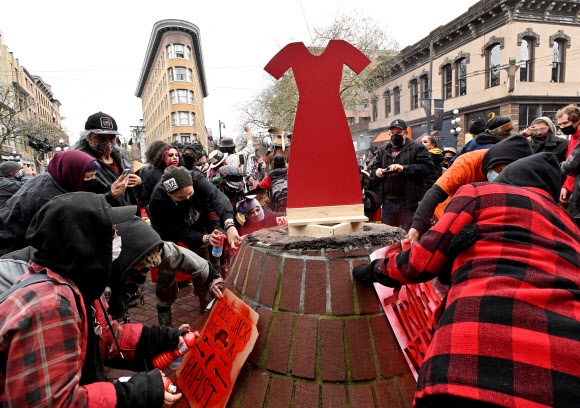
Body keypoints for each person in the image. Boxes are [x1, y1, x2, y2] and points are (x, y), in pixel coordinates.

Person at [353, 152, 580, 407]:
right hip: (566, 373)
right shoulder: (571, 227)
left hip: (466, 361)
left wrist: (377, 271)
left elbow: (420, 263)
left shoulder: (481, 193)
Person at [0, 192, 184, 407]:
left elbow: (106, 337)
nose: (117, 240)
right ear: (85, 242)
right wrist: (136, 393)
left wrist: (165, 338)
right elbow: (54, 403)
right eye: (112, 233)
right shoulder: (51, 305)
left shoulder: (78, 282)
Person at [148, 166, 242, 323]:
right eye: (180, 198)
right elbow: (180, 232)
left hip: (198, 223)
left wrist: (229, 225)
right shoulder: (158, 200)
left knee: (203, 266)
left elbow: (218, 198)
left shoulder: (197, 179)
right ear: (169, 194)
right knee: (166, 274)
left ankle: (205, 304)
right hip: (168, 233)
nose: (187, 199)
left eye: (190, 194)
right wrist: (204, 238)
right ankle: (164, 318)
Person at [408, 135, 533, 242]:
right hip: (448, 212)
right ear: (493, 161)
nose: (500, 176)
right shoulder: (467, 163)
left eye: (506, 173)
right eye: (499, 170)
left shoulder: (523, 175)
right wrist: (417, 226)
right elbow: (436, 192)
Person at [0, 150, 101, 256]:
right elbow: (55, 239)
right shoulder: (50, 198)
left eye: (94, 175)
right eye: (88, 177)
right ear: (71, 174)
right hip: (14, 248)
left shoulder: (51, 179)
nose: (92, 180)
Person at [370, 118, 433, 232]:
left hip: (408, 203)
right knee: (387, 236)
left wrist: (404, 168)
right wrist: (377, 172)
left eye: (398, 133)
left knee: (407, 236)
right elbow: (373, 171)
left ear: (406, 132)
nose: (395, 135)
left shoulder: (417, 148)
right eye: (393, 133)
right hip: (388, 202)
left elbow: (428, 168)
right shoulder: (383, 150)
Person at [75, 111, 142, 208]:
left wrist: (139, 183)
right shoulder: (81, 163)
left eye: (112, 138)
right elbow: (80, 201)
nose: (107, 143)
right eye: (100, 138)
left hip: (128, 217)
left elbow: (135, 196)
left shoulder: (123, 159)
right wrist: (111, 195)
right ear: (87, 137)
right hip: (103, 219)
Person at [448, 116, 512, 166]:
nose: (509, 133)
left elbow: (453, 163)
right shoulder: (504, 147)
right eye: (508, 131)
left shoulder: (471, 143)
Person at [141, 145, 183, 210]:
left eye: (177, 155)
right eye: (170, 155)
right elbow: (147, 197)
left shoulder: (181, 172)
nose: (175, 157)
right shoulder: (153, 174)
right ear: (163, 157)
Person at [557, 104, 580, 213]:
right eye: (560, 124)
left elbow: (571, 165)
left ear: (577, 120)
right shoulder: (573, 137)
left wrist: (554, 168)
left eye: (565, 123)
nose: (562, 127)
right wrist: (566, 187)